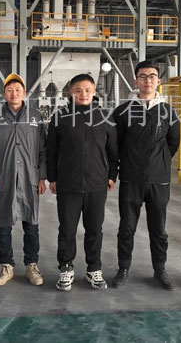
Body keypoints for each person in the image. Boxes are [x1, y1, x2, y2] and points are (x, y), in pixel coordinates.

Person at [111, 61, 180, 290]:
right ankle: (123, 268)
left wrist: (158, 162)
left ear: (158, 81)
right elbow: (116, 144)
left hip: (159, 180)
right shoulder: (123, 111)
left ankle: (160, 269)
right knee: (127, 227)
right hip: (131, 178)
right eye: (143, 76)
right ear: (135, 81)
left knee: (158, 229)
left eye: (152, 76)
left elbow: (173, 143)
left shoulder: (168, 112)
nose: (147, 80)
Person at [47, 73, 118, 291]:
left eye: (87, 90)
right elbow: (51, 150)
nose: (83, 94)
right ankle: (66, 268)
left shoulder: (105, 117)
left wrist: (111, 175)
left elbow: (113, 151)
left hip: (97, 184)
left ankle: (93, 269)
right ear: (71, 92)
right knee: (67, 230)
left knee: (94, 229)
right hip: (68, 184)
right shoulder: (60, 117)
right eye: (78, 90)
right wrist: (53, 177)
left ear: (94, 92)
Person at [0, 74, 47, 287]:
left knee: (31, 224)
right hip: (4, 177)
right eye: (9, 90)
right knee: (3, 224)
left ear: (24, 93)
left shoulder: (36, 117)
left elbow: (43, 150)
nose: (14, 93)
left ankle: (31, 265)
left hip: (29, 178)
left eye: (18, 89)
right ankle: (6, 265)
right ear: (4, 94)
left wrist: (42, 177)